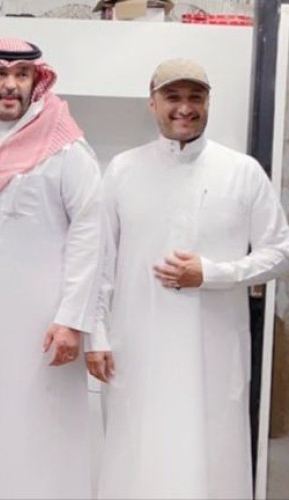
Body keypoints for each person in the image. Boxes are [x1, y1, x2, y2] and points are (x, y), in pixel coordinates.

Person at [88, 58, 289, 499]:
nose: (185, 108)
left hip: (213, 348)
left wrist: (213, 273)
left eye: (195, 97)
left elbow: (280, 252)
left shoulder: (242, 171)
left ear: (208, 102)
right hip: (137, 345)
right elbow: (102, 261)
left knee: (211, 456)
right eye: (173, 97)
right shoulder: (122, 170)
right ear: (152, 102)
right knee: (137, 453)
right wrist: (97, 335)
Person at [0, 37, 102, 499]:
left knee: (40, 430)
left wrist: (72, 319)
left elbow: (90, 232)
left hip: (43, 326)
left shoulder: (65, 145)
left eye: (21, 74)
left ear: (37, 80)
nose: (10, 85)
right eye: (0, 73)